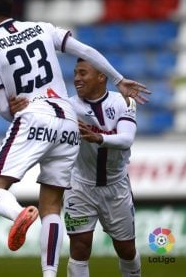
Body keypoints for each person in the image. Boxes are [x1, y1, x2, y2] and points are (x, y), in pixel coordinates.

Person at [0, 0, 148, 277]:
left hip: (34, 114)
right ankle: (50, 274)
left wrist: (15, 108)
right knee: (51, 205)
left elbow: (4, 109)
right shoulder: (42, 27)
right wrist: (119, 79)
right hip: (66, 116)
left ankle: (19, 215)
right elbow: (86, 51)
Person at [63, 58, 141, 277]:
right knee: (79, 247)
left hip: (116, 187)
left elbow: (126, 139)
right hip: (79, 185)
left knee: (126, 250)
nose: (77, 78)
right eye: (75, 73)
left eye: (83, 73)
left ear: (101, 77)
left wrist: (98, 137)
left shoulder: (123, 102)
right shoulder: (68, 106)